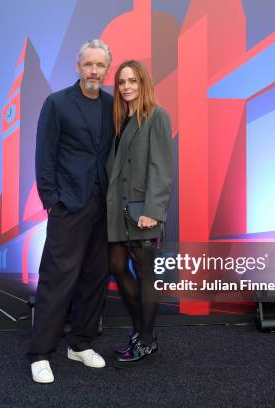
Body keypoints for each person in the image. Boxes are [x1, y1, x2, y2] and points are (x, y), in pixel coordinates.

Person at [28, 39, 113, 383]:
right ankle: (39, 353)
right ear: (78, 67)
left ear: (107, 69)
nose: (94, 70)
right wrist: (52, 199)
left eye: (100, 65)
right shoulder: (57, 103)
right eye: (88, 64)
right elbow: (44, 155)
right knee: (57, 279)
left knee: (95, 278)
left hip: (103, 205)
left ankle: (80, 343)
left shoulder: (112, 105)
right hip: (68, 205)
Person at [106, 60, 173, 364]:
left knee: (146, 277)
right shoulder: (119, 120)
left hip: (142, 211)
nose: (127, 87)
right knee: (117, 266)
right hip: (117, 210)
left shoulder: (156, 117)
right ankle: (140, 331)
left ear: (143, 83)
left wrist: (153, 210)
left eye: (132, 81)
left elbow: (162, 168)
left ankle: (146, 339)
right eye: (121, 82)